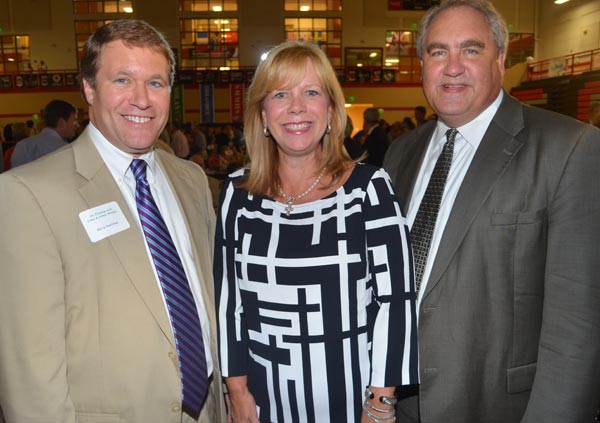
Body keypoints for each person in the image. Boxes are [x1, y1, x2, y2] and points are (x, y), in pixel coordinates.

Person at [383, 1, 600, 422]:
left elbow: (578, 323)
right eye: (438, 51)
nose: (452, 67)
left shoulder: (569, 148)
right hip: (401, 404)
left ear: (500, 59)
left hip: (499, 407)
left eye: (471, 50)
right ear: (422, 63)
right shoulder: (401, 153)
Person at [0, 19, 226, 423]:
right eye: (122, 80)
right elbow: (29, 374)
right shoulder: (28, 194)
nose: (141, 99)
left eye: (155, 83)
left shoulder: (191, 180)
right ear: (89, 88)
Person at [214, 40, 418, 423]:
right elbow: (229, 303)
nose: (296, 107)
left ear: (331, 111)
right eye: (280, 94)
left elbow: (395, 302)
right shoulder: (237, 193)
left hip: (353, 403)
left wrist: (380, 403)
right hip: (261, 403)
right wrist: (236, 391)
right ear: (262, 114)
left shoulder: (368, 189)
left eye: (311, 92)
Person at [11, 99, 78, 168]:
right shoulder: (66, 150)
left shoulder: (22, 146)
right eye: (74, 121)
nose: (77, 125)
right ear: (61, 123)